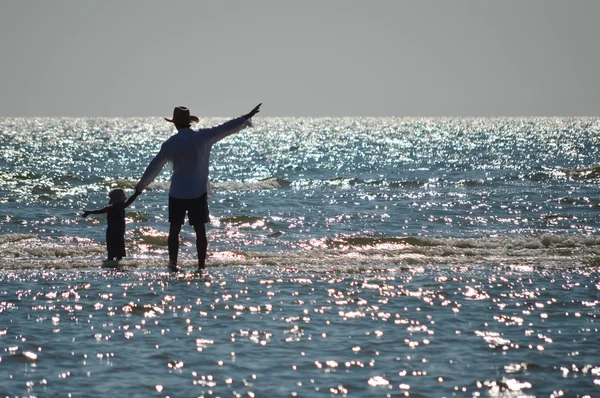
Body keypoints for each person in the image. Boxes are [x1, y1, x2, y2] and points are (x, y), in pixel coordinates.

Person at [135, 103, 262, 271]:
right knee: (200, 232)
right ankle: (201, 266)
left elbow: (154, 167)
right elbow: (225, 128)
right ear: (189, 122)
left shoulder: (169, 144)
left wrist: (140, 186)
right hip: (197, 191)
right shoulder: (203, 137)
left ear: (175, 123)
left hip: (178, 192)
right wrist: (245, 117)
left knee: (174, 231)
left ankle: (173, 264)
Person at [82, 188, 140, 264]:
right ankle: (117, 262)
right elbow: (130, 200)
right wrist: (136, 193)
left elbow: (99, 211)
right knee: (119, 246)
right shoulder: (121, 207)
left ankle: (110, 261)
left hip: (111, 231)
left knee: (111, 245)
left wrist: (89, 212)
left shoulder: (110, 208)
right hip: (119, 231)